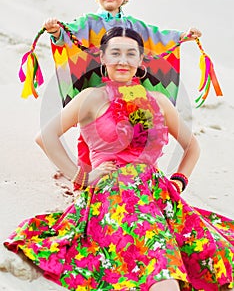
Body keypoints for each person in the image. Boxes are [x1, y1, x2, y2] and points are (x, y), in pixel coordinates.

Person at [3, 27, 233, 291]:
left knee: (210, 254)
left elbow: (192, 146)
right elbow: (45, 137)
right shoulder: (91, 97)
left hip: (159, 194)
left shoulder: (159, 101)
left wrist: (179, 180)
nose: (122, 60)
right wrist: (82, 176)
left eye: (130, 54)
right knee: (161, 266)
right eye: (115, 53)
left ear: (140, 60)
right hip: (113, 192)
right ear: (102, 58)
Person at [41, 0, 202, 174]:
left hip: (128, 87)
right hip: (97, 87)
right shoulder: (87, 22)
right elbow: (69, 36)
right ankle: (84, 174)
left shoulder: (135, 26)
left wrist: (181, 37)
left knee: (131, 127)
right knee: (93, 131)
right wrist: (57, 33)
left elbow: (157, 36)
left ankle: (138, 165)